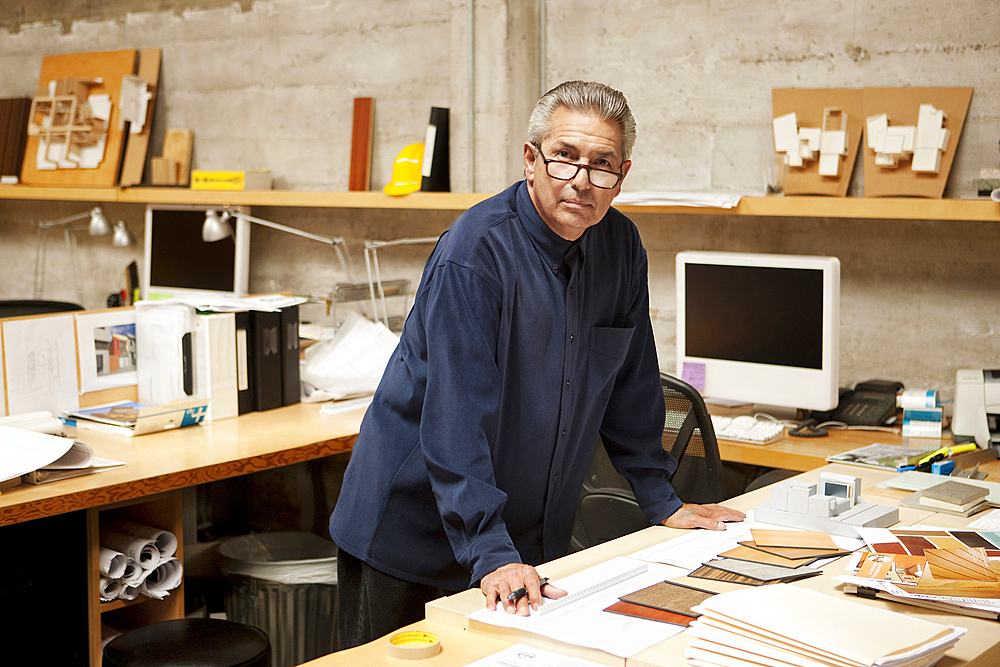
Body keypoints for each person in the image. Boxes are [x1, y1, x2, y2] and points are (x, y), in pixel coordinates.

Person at [329, 80, 745, 649]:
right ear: (531, 160)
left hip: (521, 542)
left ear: (622, 176)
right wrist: (490, 549)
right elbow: (456, 417)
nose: (582, 180)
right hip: (413, 534)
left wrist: (661, 501)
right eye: (565, 158)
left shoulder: (620, 247)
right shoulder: (474, 255)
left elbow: (632, 387)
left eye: (602, 165)